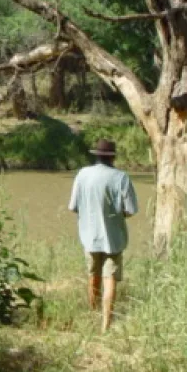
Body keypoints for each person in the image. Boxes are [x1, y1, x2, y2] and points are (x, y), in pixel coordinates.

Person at [68, 138, 138, 332]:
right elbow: (131, 210)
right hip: (113, 239)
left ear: (96, 156)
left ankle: (93, 313)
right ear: (113, 157)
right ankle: (105, 325)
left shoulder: (82, 175)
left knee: (93, 276)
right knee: (110, 279)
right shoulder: (121, 178)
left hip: (89, 237)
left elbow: (73, 206)